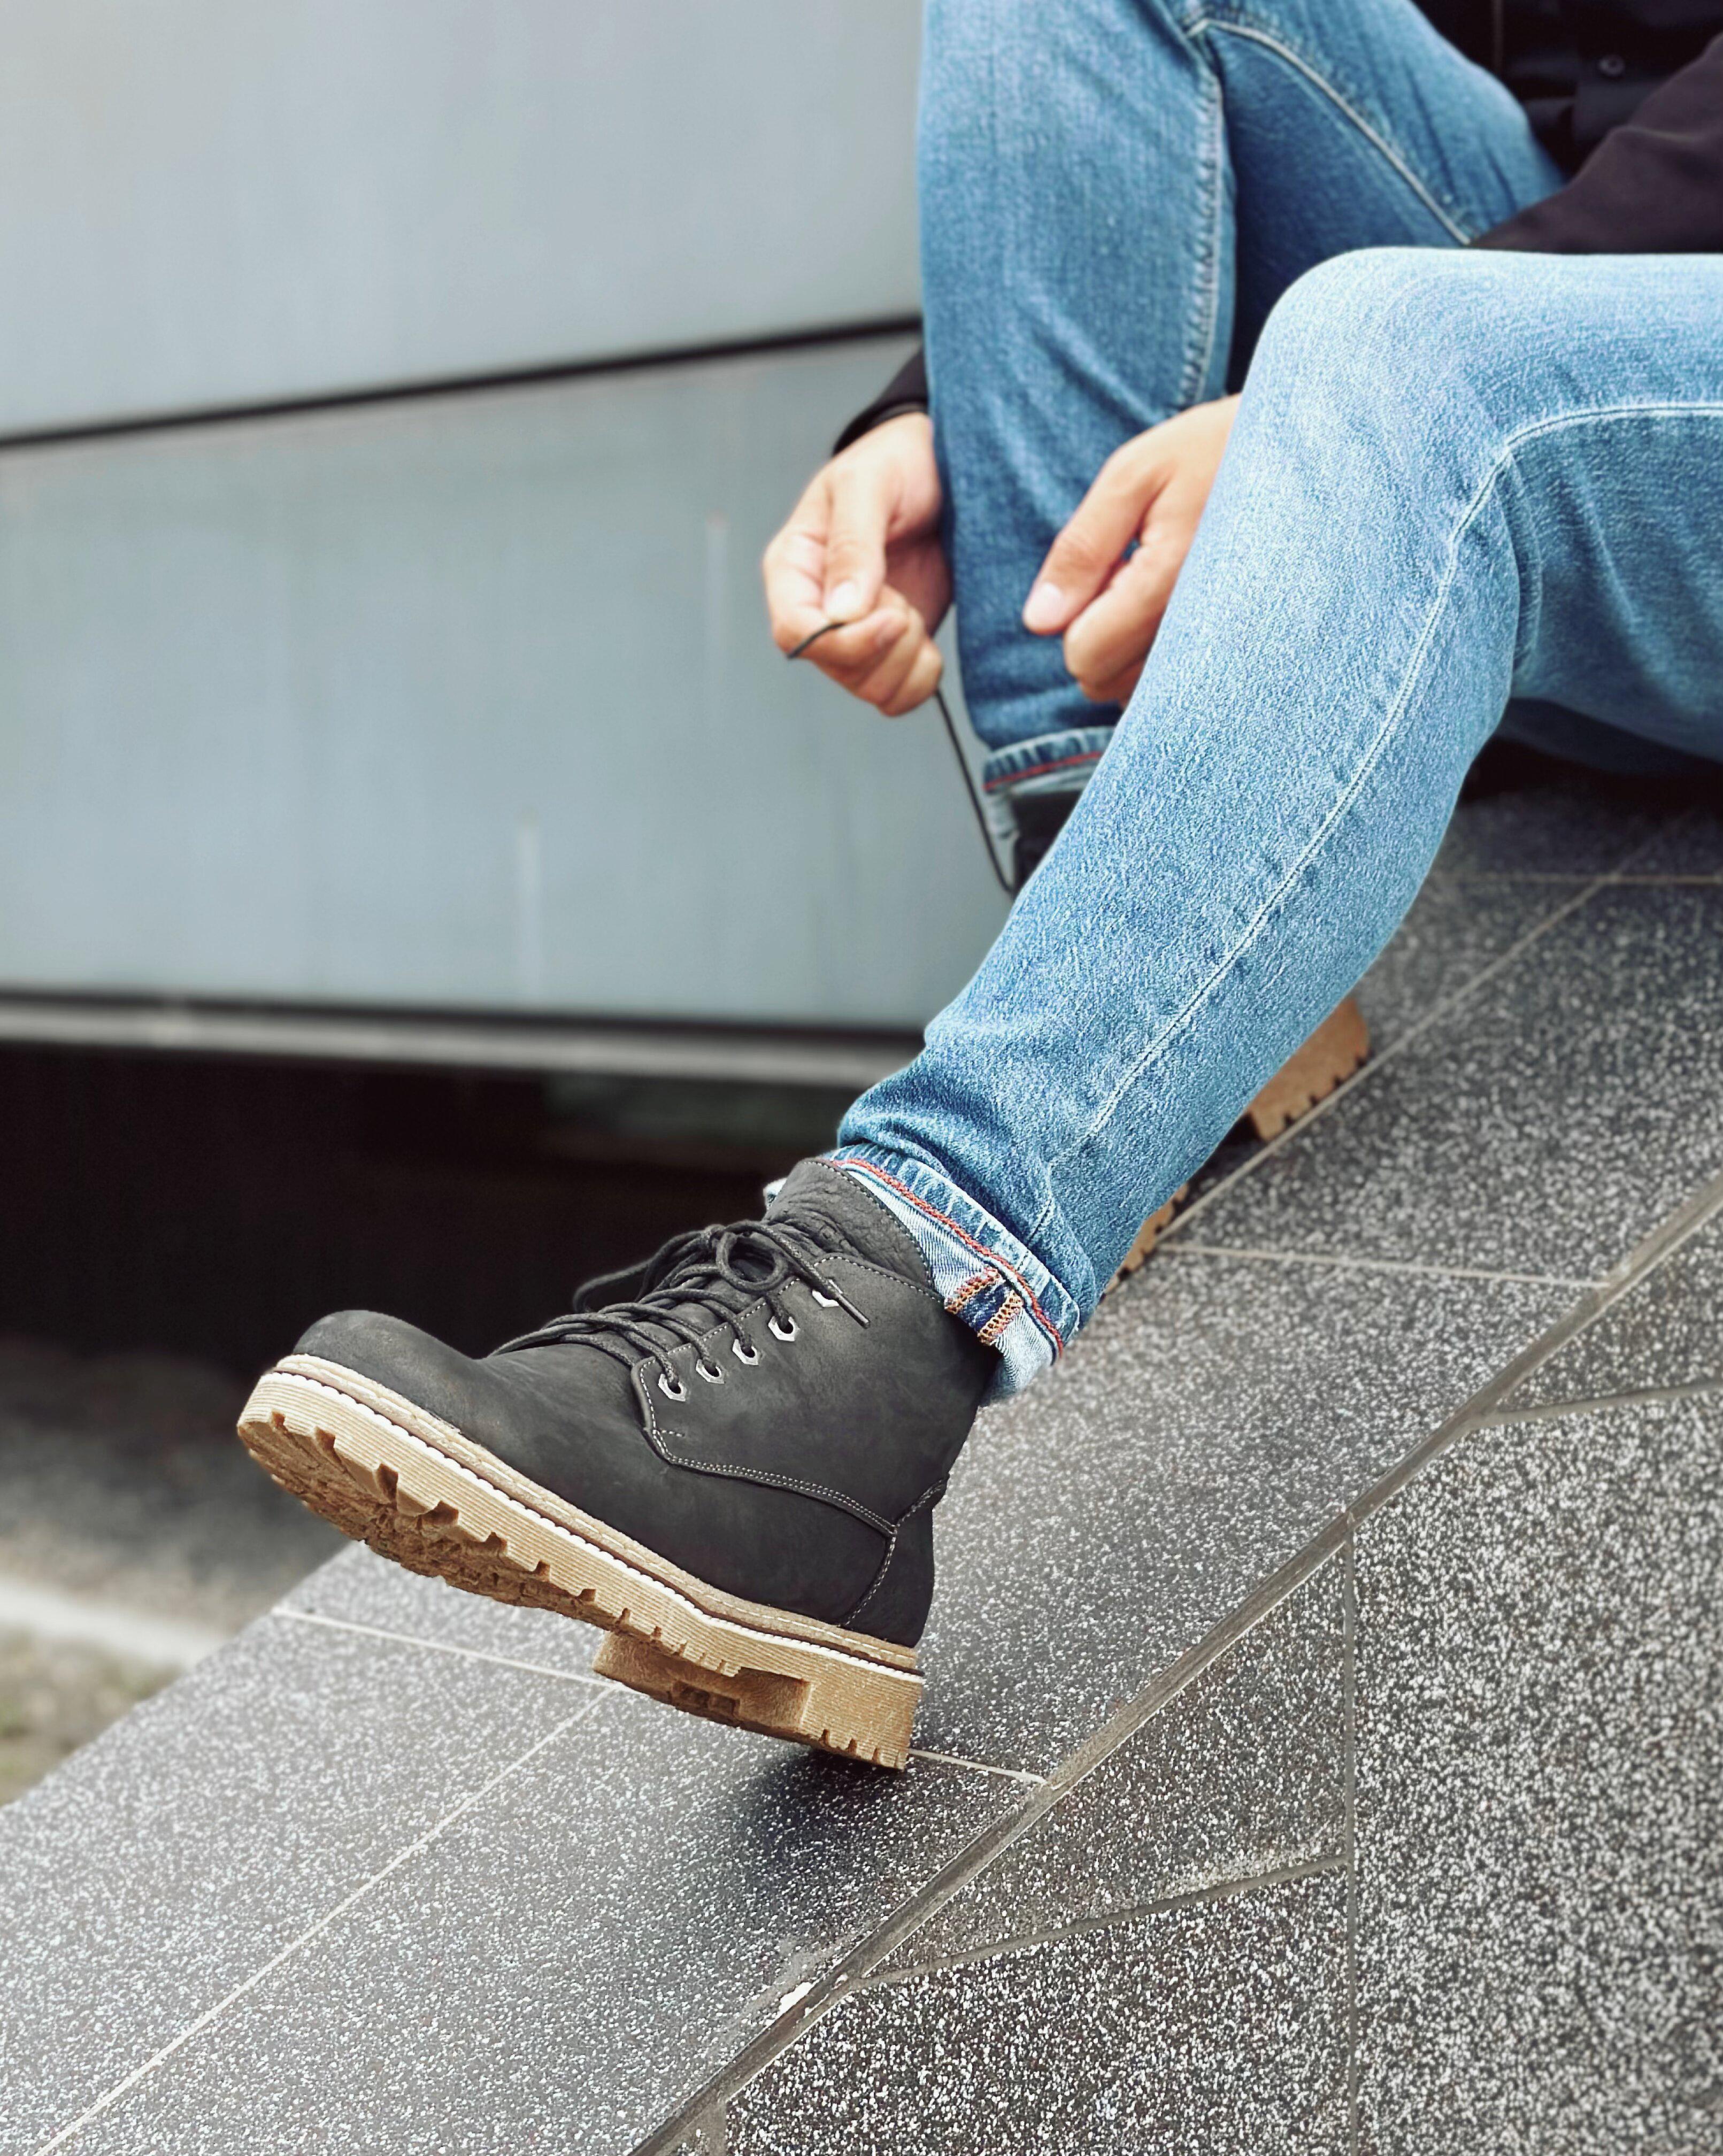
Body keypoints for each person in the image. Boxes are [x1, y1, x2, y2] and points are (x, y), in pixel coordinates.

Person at [239, 0, 1723, 1768]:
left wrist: (1348, 390)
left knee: (1398, 349)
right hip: (1570, 243)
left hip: (1594, 316)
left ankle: (904, 1309)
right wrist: (946, 412)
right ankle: (1126, 884)